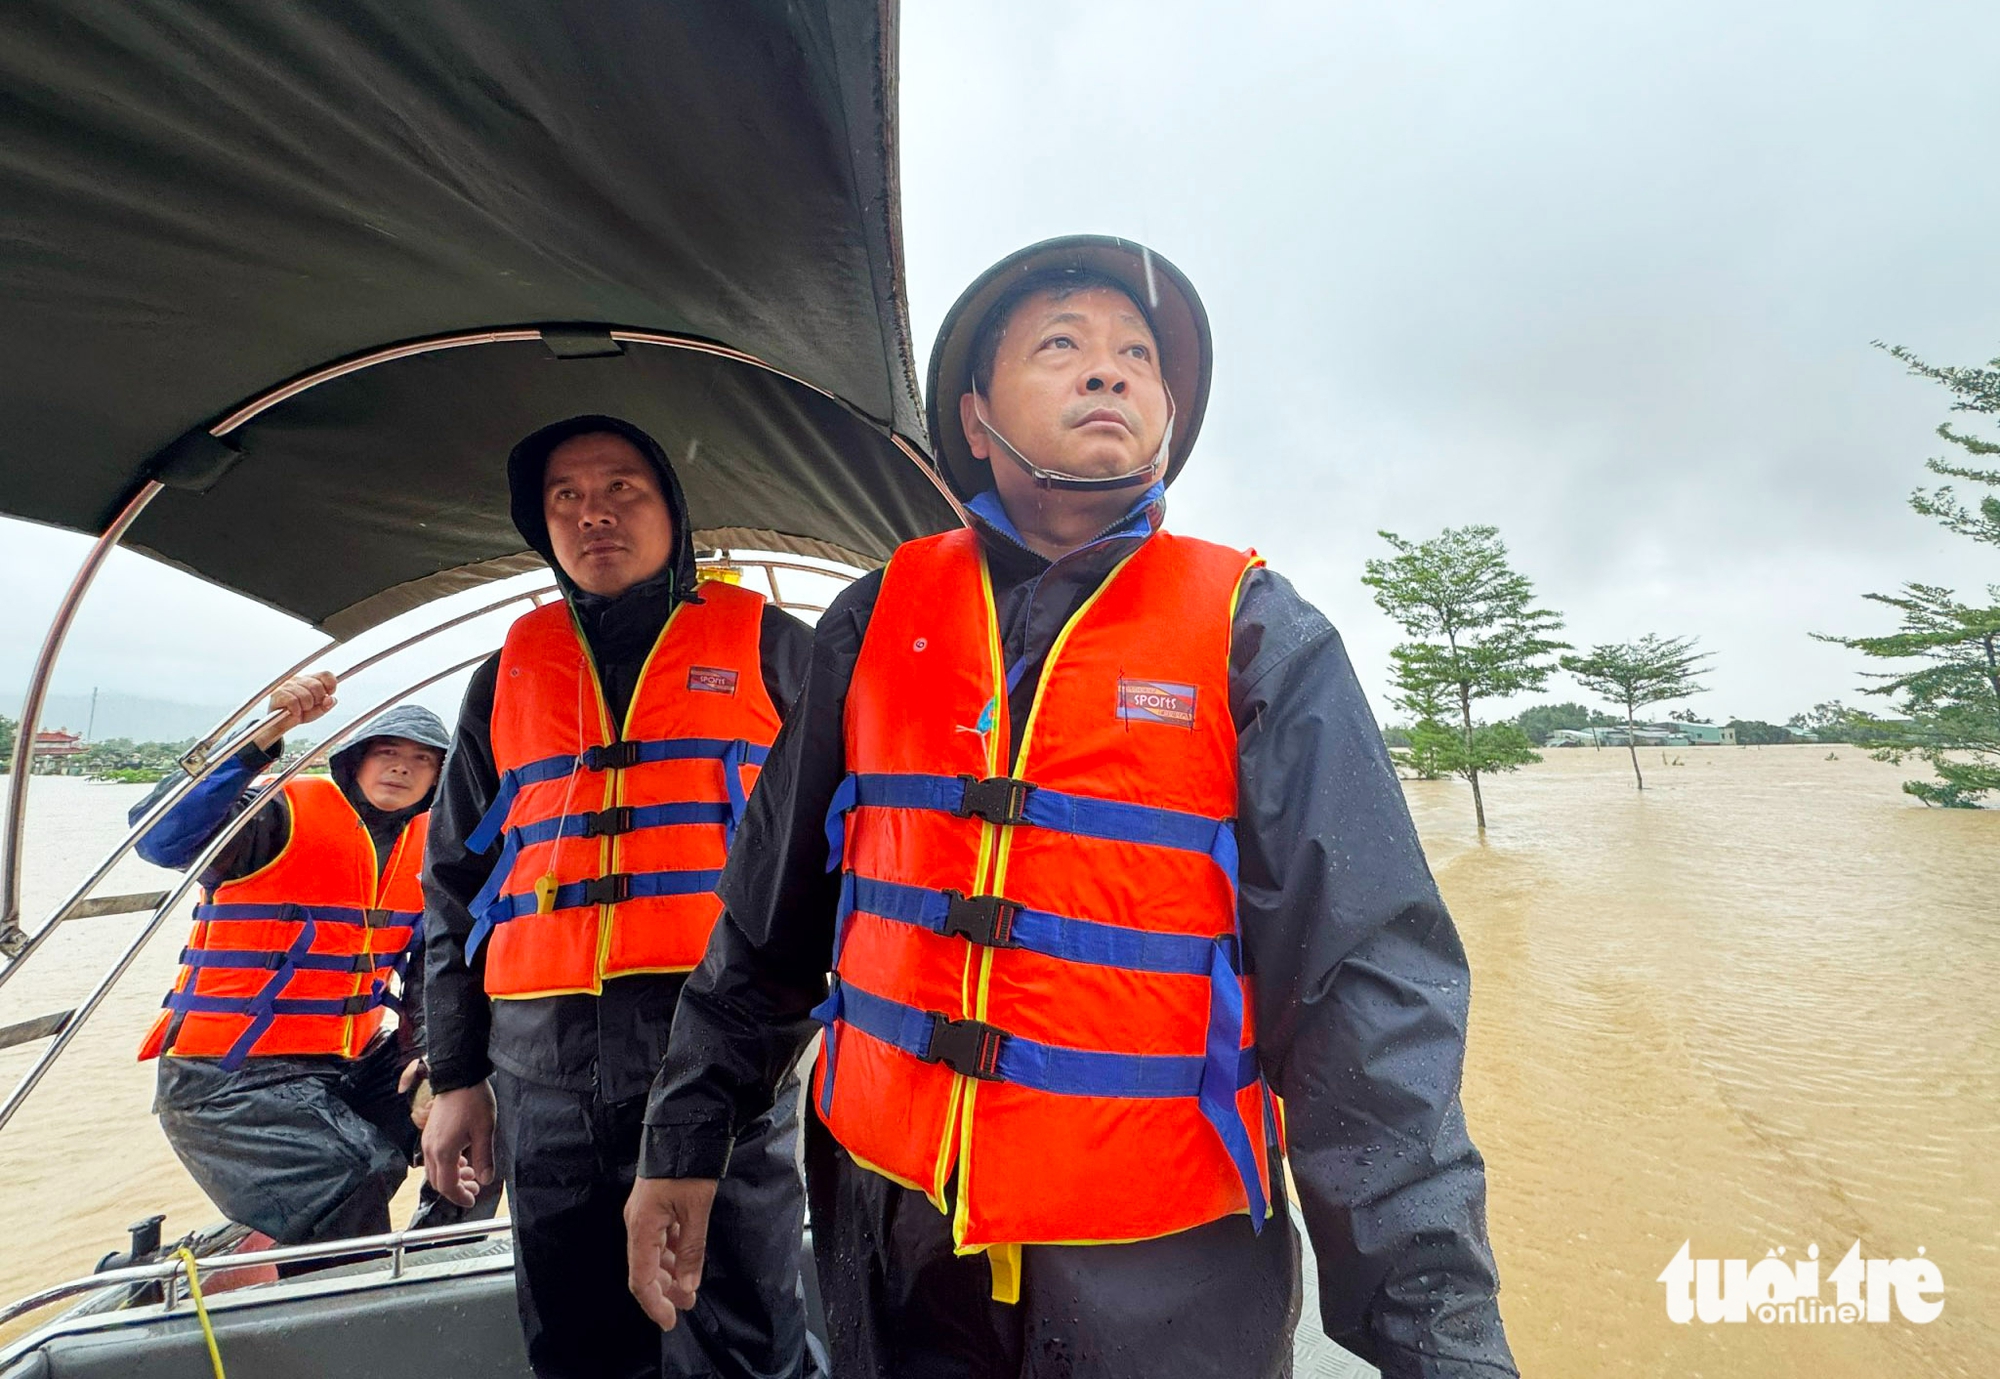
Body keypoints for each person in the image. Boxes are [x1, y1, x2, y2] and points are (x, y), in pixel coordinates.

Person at [627, 237, 1520, 1378]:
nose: (1109, 371)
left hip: (1163, 1282)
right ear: (974, 414)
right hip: (895, 1257)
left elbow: (1370, 1009)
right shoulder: (870, 622)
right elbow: (765, 929)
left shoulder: (1259, 636)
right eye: (1062, 346)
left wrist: (1437, 1339)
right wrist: (684, 1138)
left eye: (1136, 354)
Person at [419, 416, 819, 1379]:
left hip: (715, 1050)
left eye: (621, 488)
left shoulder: (773, 645)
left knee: (740, 1337)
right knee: (576, 1340)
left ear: (672, 511)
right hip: (538, 1066)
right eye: (565, 497)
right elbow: (454, 886)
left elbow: (843, 849)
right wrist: (455, 1072)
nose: (593, 513)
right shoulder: (502, 676)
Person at [136, 685, 487, 1248]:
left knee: (478, 1106)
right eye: (387, 752)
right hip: (225, 1078)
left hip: (345, 1066)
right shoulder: (274, 817)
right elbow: (159, 838)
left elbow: (432, 977)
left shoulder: (429, 858)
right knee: (356, 1173)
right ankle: (353, 1297)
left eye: (423, 759)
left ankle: (435, 1252)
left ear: (439, 779)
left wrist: (434, 1065)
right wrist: (260, 737)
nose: (403, 768)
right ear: (356, 759)